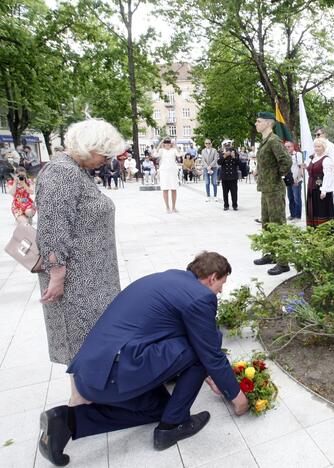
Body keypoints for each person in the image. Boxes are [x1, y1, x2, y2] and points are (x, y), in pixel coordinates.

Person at [37, 252, 249, 466]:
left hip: (89, 373)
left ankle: (66, 422)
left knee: (159, 407)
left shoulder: (168, 279)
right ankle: (173, 426)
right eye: (222, 283)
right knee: (204, 347)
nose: (221, 290)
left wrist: (209, 376)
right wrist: (237, 397)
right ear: (212, 277)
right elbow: (210, 353)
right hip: (114, 375)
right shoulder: (200, 296)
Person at [35, 118, 124, 411]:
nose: (108, 160)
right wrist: (57, 274)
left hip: (92, 276)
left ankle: (89, 393)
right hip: (77, 280)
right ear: (89, 148)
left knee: (92, 335)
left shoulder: (76, 170)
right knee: (79, 337)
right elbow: (52, 228)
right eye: (105, 153)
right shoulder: (61, 173)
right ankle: (80, 401)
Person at [252, 111, 292, 275]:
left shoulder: (274, 140)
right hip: (266, 189)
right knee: (267, 224)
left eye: (259, 121)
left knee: (278, 225)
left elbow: (286, 161)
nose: (256, 124)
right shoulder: (265, 141)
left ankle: (283, 262)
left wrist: (277, 175)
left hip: (275, 189)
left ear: (269, 123)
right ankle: (270, 254)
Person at [306, 138, 334, 228]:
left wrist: (324, 190)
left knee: (321, 212)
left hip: (321, 190)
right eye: (315, 146)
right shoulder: (314, 158)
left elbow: (328, 176)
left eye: (319, 146)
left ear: (323, 147)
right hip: (312, 189)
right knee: (312, 211)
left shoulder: (326, 160)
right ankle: (313, 232)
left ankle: (324, 235)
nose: (316, 148)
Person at [156, 138, 180, 213]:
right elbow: (155, 153)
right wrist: (160, 143)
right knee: (165, 189)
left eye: (169, 143)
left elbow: (179, 154)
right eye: (166, 143)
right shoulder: (161, 150)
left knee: (174, 189)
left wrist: (175, 145)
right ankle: (167, 207)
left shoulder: (173, 150)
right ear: (164, 144)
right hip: (164, 172)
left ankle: (173, 207)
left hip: (172, 171)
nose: (167, 145)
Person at [284, 140, 304, 221]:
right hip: (289, 180)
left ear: (293, 146)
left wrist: (297, 179)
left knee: (297, 198)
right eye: (285, 147)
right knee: (290, 198)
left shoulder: (298, 155)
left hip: (296, 180)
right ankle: (292, 214)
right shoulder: (285, 155)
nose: (287, 148)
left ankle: (297, 216)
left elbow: (301, 167)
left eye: (289, 146)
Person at [218, 146, 240, 211]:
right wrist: (224, 156)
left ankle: (235, 205)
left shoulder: (235, 154)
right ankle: (226, 205)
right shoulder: (222, 155)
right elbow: (219, 162)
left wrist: (233, 157)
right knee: (225, 193)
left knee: (234, 192)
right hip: (225, 177)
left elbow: (239, 163)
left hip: (233, 177)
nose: (228, 151)